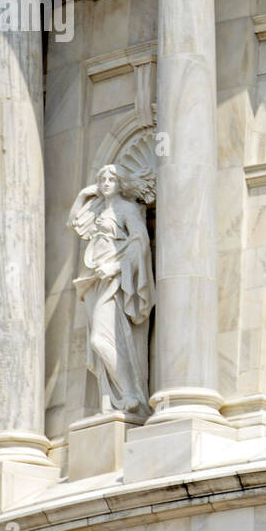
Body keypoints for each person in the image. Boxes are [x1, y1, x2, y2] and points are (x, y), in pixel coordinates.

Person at [68, 164, 154, 416]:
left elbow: (140, 241)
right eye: (102, 179)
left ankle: (130, 392)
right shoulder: (96, 211)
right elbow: (74, 221)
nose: (106, 183)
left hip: (116, 279)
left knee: (100, 340)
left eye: (111, 179)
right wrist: (83, 195)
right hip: (95, 278)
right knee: (100, 338)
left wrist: (117, 266)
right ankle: (113, 395)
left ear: (121, 183)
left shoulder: (127, 209)